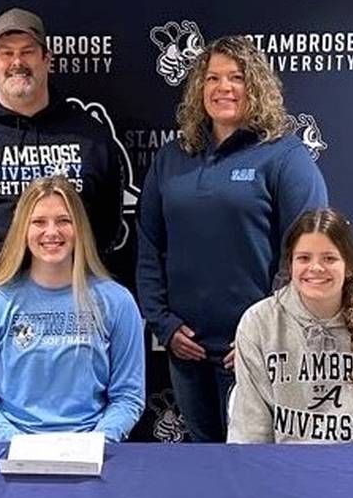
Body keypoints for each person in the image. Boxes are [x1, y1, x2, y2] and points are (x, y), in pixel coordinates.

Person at [137, 35, 328, 442]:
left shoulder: (284, 156)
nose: (223, 88)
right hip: (188, 353)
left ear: (255, 86)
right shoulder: (173, 157)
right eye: (212, 78)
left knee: (258, 471)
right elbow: (150, 245)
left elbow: (309, 256)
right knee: (205, 470)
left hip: (258, 354)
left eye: (236, 77)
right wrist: (164, 324)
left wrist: (264, 338)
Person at [0, 7, 122, 315]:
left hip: (72, 307)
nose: (17, 63)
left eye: (28, 52)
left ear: (47, 59)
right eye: (6, 53)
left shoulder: (91, 136)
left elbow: (106, 224)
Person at [0, 176, 144, 442]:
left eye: (64, 221)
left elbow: (128, 397)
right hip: (13, 453)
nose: (52, 232)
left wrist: (96, 442)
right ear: (22, 229)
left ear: (79, 228)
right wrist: (19, 445)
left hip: (93, 453)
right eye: (39, 222)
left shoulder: (117, 302)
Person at [228, 208, 353, 444]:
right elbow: (250, 430)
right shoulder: (258, 323)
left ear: (349, 267)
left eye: (329, 258)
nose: (315, 268)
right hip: (282, 472)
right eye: (304, 258)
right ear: (290, 265)